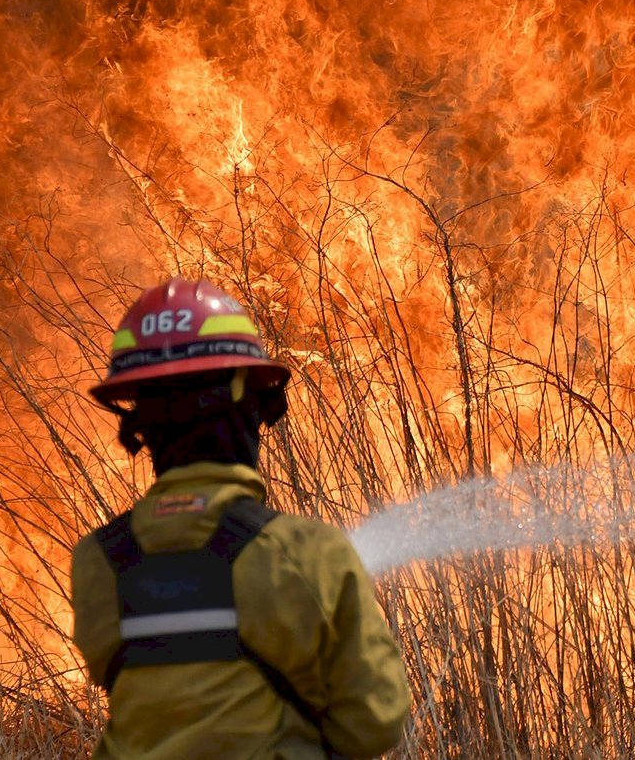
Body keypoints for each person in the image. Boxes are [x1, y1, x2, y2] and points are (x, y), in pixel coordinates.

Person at [71, 277, 411, 759]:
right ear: (245, 403)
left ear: (140, 420)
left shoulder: (97, 563)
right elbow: (375, 723)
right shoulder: (306, 552)